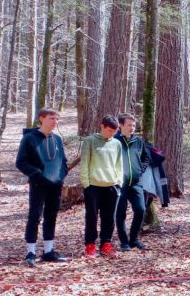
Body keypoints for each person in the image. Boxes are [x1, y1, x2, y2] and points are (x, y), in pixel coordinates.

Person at [16, 108, 69, 266]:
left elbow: (63, 161)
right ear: (41, 118)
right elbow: (21, 162)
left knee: (51, 216)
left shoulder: (57, 139)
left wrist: (61, 176)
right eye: (51, 118)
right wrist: (38, 175)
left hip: (55, 185)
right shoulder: (29, 138)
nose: (55, 122)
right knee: (35, 216)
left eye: (57, 119)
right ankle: (30, 252)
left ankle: (48, 251)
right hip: (38, 184)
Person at [80, 115, 124, 258]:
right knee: (92, 216)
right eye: (110, 130)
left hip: (112, 185)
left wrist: (119, 182)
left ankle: (106, 243)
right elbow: (84, 162)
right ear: (102, 126)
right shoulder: (90, 141)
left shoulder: (117, 143)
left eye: (115, 132)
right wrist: (86, 183)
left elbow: (119, 164)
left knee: (109, 217)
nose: (112, 134)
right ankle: (90, 245)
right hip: (93, 185)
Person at [115, 114, 151, 251]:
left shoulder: (138, 141)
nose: (132, 128)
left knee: (140, 209)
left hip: (136, 183)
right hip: (119, 184)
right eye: (129, 125)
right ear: (121, 126)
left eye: (134, 125)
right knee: (120, 213)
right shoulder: (114, 141)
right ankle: (124, 242)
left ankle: (134, 239)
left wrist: (140, 170)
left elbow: (146, 158)